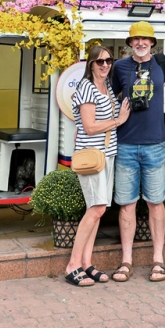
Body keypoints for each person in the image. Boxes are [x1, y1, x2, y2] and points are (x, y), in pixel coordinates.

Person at [64, 45, 130, 287]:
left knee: (98, 210)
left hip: (107, 154)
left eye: (108, 61)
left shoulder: (107, 87)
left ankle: (86, 262)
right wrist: (118, 121)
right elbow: (90, 126)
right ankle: (73, 265)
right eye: (100, 62)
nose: (105, 65)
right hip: (92, 155)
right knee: (96, 209)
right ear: (90, 64)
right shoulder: (87, 88)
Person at [109, 21, 165, 283]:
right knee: (127, 205)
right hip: (125, 144)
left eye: (146, 39)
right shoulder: (120, 67)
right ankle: (126, 261)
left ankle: (159, 261)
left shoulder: (163, 63)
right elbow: (105, 93)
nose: (141, 43)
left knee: (156, 203)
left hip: (155, 143)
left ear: (152, 43)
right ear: (130, 43)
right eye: (136, 40)